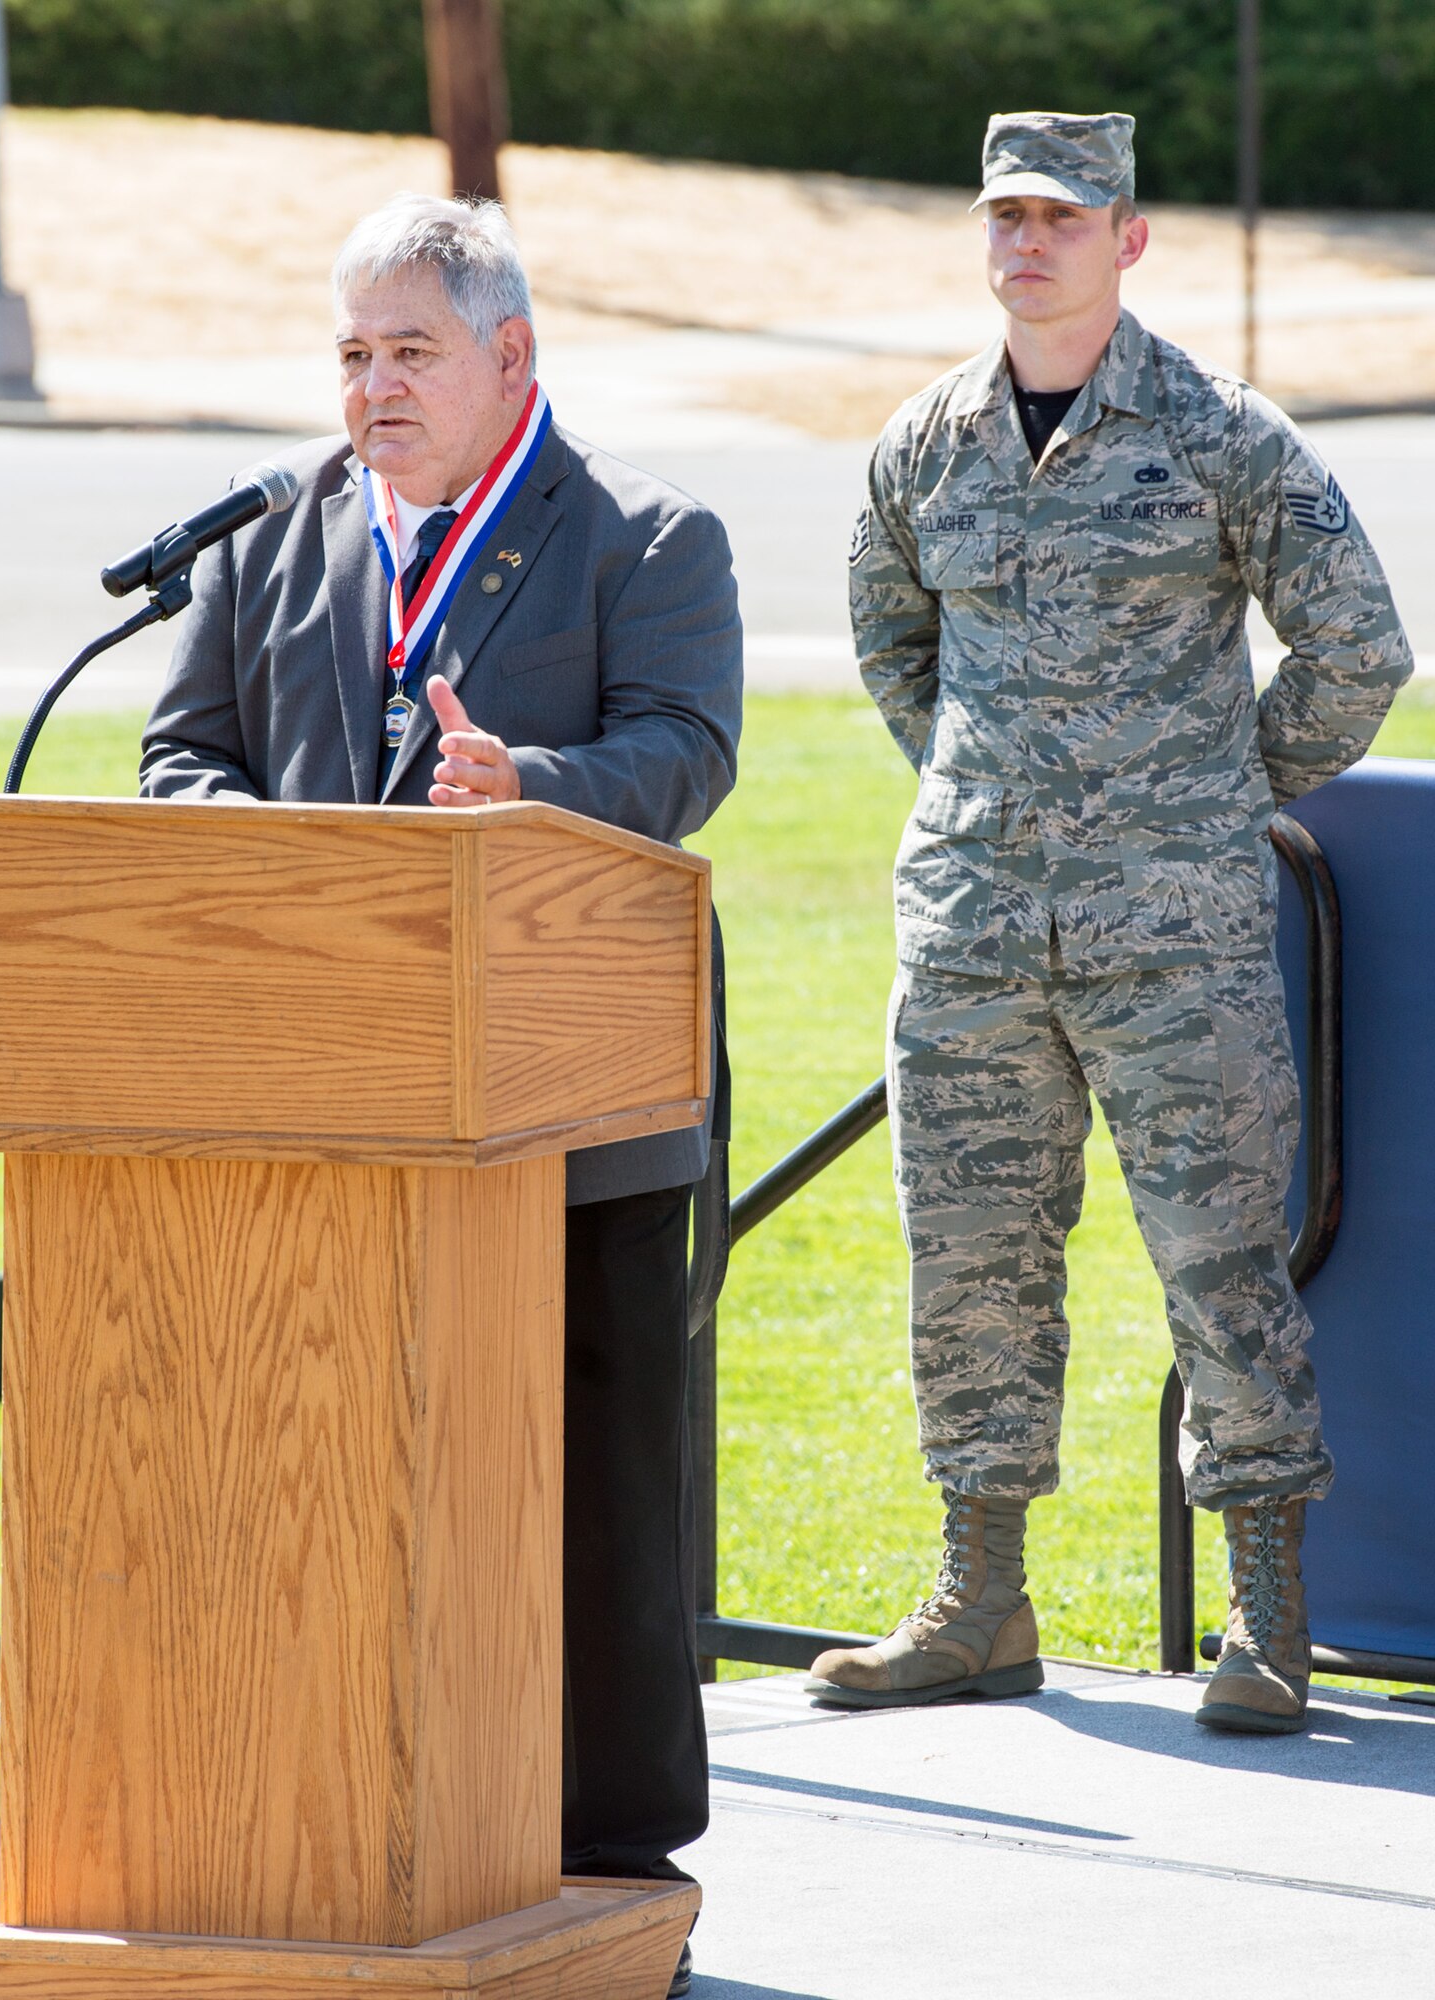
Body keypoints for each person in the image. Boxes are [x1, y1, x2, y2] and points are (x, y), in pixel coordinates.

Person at [140, 193, 742, 1994]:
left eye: (409, 352)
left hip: (581, 1104)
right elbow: (184, 758)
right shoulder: (269, 539)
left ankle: (613, 1868)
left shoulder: (646, 532)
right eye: (351, 353)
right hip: (334, 1099)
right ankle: (352, 1809)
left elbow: (687, 751)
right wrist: (266, 860)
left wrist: (529, 778)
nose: (372, 388)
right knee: (349, 1464)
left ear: (510, 360)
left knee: (588, 1480)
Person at [810, 111, 1412, 1735]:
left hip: (1179, 936)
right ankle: (979, 1596)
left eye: (1064, 219)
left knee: (1223, 1266)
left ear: (1128, 238)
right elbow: (892, 648)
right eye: (1006, 215)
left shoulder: (1224, 436)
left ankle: (1268, 1617)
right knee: (972, 1266)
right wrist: (982, 802)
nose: (1030, 243)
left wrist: (1208, 794)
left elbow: (1359, 645)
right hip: (974, 933)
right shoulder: (925, 444)